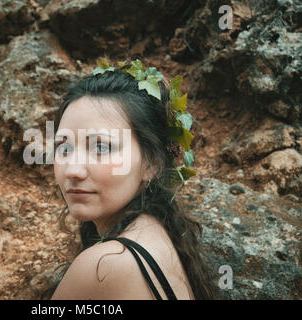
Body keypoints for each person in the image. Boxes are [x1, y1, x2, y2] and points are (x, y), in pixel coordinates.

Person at [48, 62, 216, 300]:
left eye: (101, 147)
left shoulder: (105, 265)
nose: (73, 170)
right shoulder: (156, 235)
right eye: (63, 147)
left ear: (151, 162)